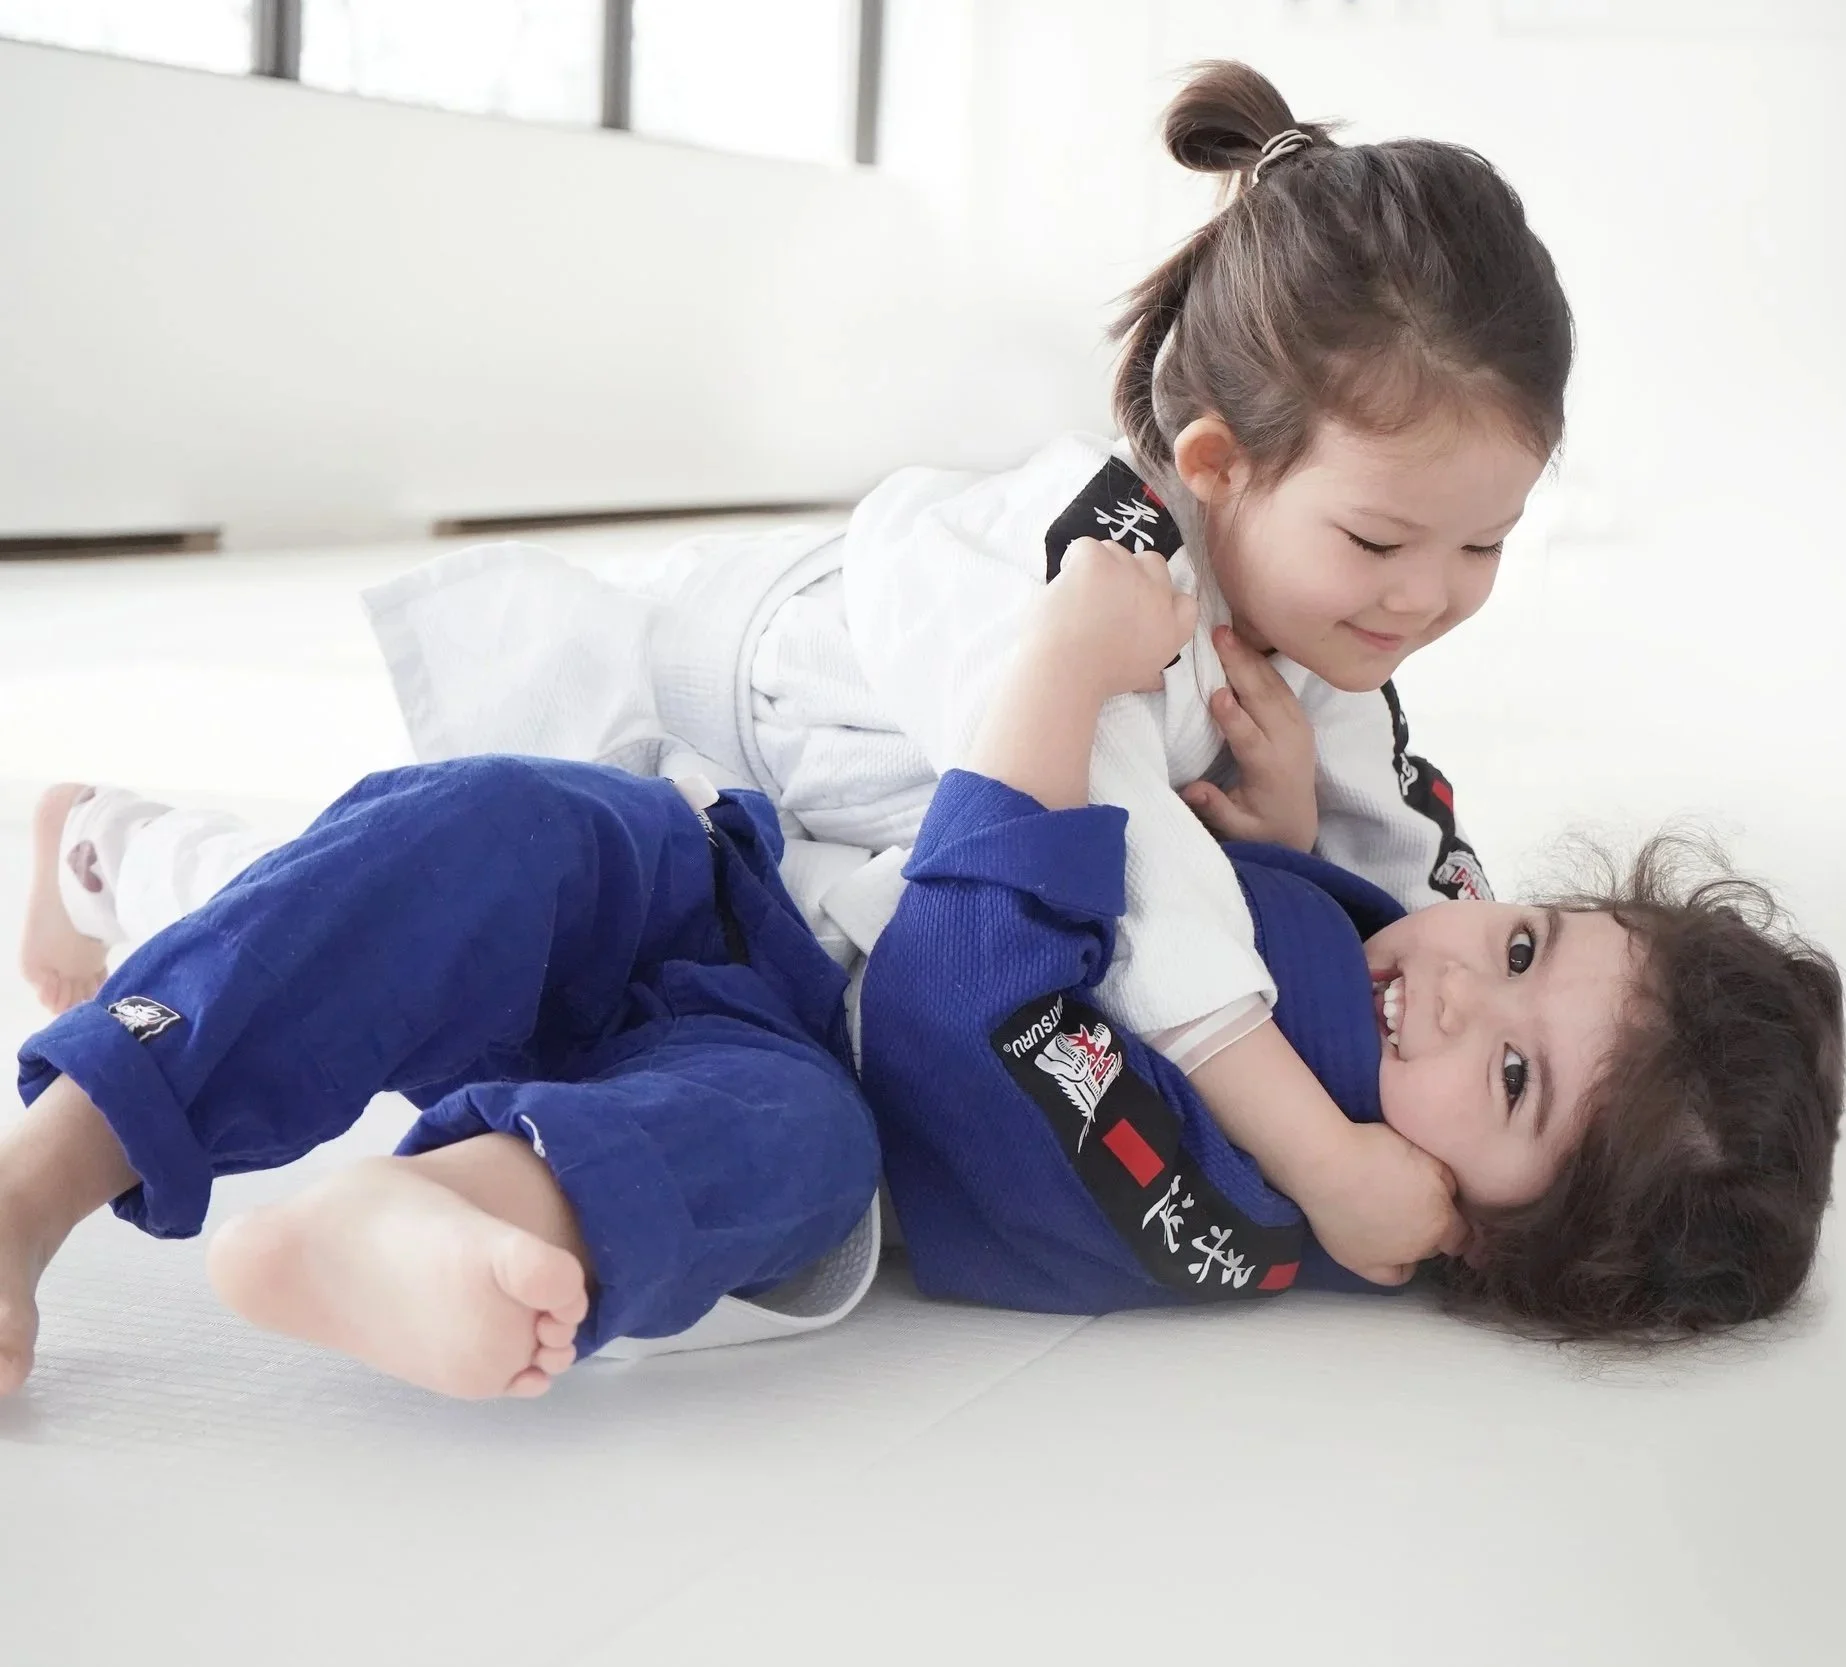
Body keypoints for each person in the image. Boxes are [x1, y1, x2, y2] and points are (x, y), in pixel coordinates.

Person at [20, 59, 1575, 1280]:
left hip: (805, 928)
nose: (1429, 598)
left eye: (1484, 549)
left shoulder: (1332, 656)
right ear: (1217, 464)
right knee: (427, 913)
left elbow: (1428, 884)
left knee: (730, 1097)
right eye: (1384, 543)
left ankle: (461, 1202)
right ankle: (107, 880)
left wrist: (1320, 857)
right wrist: (1313, 1151)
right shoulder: (1082, 567)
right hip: (704, 755)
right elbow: (1133, 864)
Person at [3, 547, 1837, 1402]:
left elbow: (985, 1009)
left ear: (1470, 1239)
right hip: (727, 871)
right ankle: (52, 1163)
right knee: (500, 827)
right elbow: (1347, 888)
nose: (1449, 990)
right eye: (1520, 944)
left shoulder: (1265, 1192)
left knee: (784, 1160)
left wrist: (1046, 677)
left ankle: (424, 1219)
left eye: (1508, 1077)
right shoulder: (1366, 996)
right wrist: (1279, 823)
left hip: (802, 1044)